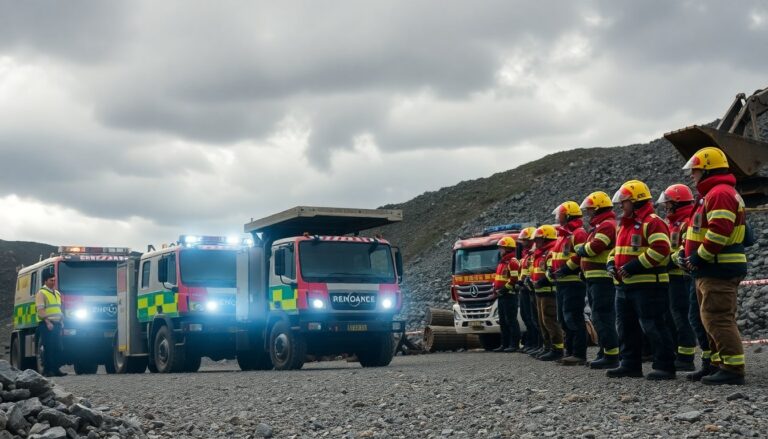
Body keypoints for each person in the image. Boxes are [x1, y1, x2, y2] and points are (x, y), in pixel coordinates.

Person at [682, 147, 748, 385]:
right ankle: (719, 364)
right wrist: (686, 253)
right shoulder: (714, 193)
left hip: (718, 268)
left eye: (696, 170)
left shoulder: (719, 193)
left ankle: (733, 369)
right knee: (708, 317)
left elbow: (719, 232)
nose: (692, 175)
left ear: (708, 169)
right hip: (710, 268)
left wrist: (697, 258)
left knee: (717, 317)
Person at [606, 179, 676, 380]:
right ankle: (630, 365)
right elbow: (616, 251)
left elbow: (661, 249)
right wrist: (610, 264)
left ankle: (665, 366)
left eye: (624, 201)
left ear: (636, 201)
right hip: (625, 286)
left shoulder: (653, 222)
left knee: (654, 326)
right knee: (626, 328)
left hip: (649, 286)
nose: (621, 205)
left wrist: (633, 266)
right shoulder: (624, 224)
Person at [573, 191, 620, 369]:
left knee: (603, 316)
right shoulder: (599, 226)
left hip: (602, 279)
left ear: (599, 208)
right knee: (598, 316)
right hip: (594, 278)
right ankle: (604, 351)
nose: (588, 212)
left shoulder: (607, 225)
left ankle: (611, 355)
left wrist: (581, 249)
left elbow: (595, 248)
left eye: (590, 209)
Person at [657, 184, 701, 372]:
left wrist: (668, 260)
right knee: (671, 316)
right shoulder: (672, 223)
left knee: (682, 316)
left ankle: (686, 356)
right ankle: (677, 353)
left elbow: (683, 250)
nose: (665, 206)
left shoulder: (686, 222)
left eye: (668, 203)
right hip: (671, 277)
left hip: (682, 277)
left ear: (677, 203)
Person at [549, 201, 588, 366]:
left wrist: (566, 269)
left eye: (561, 215)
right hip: (562, 283)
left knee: (573, 318)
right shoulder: (563, 235)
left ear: (569, 215)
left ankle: (579, 354)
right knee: (563, 319)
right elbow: (555, 257)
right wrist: (551, 270)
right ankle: (569, 352)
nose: (558, 217)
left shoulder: (578, 233)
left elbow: (580, 256)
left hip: (573, 282)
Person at [529, 225, 564, 361]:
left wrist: (541, 282)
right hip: (539, 292)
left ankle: (557, 349)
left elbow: (551, 272)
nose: (535, 242)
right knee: (542, 321)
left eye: (538, 239)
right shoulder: (539, 254)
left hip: (548, 292)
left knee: (550, 320)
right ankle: (548, 347)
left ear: (546, 239)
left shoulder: (549, 252)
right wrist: (530, 280)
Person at [492, 236, 521, 352]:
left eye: (502, 248)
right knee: (503, 321)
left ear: (508, 248)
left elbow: (514, 279)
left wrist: (503, 290)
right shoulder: (502, 262)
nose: (500, 250)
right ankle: (505, 344)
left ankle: (514, 345)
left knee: (511, 320)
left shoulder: (512, 262)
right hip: (502, 296)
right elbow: (498, 279)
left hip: (509, 295)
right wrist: (495, 289)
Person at [36, 271, 67, 377]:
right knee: (48, 347)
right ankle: (47, 370)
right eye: (51, 280)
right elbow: (40, 310)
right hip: (46, 324)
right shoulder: (41, 293)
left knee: (58, 347)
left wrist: (61, 320)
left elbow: (59, 308)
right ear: (45, 281)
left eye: (54, 280)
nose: (53, 282)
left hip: (57, 323)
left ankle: (55, 369)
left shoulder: (57, 293)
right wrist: (47, 322)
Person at [516, 227, 541, 353]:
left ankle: (538, 344)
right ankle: (532, 343)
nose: (522, 242)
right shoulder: (526, 254)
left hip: (531, 289)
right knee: (526, 316)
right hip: (525, 289)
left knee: (534, 318)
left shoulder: (534, 254)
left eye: (525, 240)